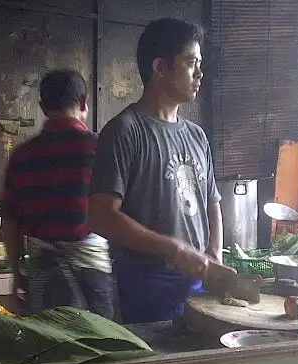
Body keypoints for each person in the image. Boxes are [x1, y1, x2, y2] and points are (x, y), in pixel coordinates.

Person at [89, 18, 223, 324]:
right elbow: (101, 216)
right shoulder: (124, 131)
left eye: (199, 63)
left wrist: (214, 253)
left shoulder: (197, 136)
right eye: (191, 63)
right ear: (160, 67)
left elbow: (212, 202)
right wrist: (174, 250)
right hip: (146, 285)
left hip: (200, 283)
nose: (199, 73)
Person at [1, 69, 114, 319]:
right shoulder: (99, 149)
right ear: (84, 103)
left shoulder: (23, 156)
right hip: (93, 271)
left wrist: (18, 274)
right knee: (104, 347)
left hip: (43, 272)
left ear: (42, 107)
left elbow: (10, 223)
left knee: (51, 347)